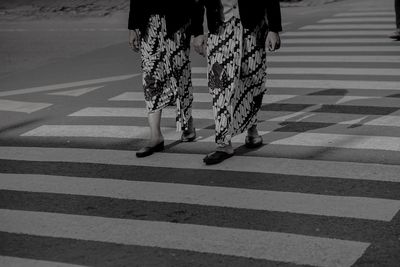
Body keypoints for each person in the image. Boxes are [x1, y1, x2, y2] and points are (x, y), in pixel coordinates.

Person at [192, 0, 282, 165]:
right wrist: (197, 31)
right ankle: (223, 144)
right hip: (220, 29)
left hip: (252, 28)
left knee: (253, 82)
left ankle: (252, 128)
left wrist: (274, 28)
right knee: (218, 85)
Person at [128, 1, 197, 158]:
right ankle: (155, 135)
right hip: (149, 23)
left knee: (179, 73)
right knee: (150, 76)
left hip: (178, 20)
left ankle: (187, 122)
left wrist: (196, 27)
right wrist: (132, 26)